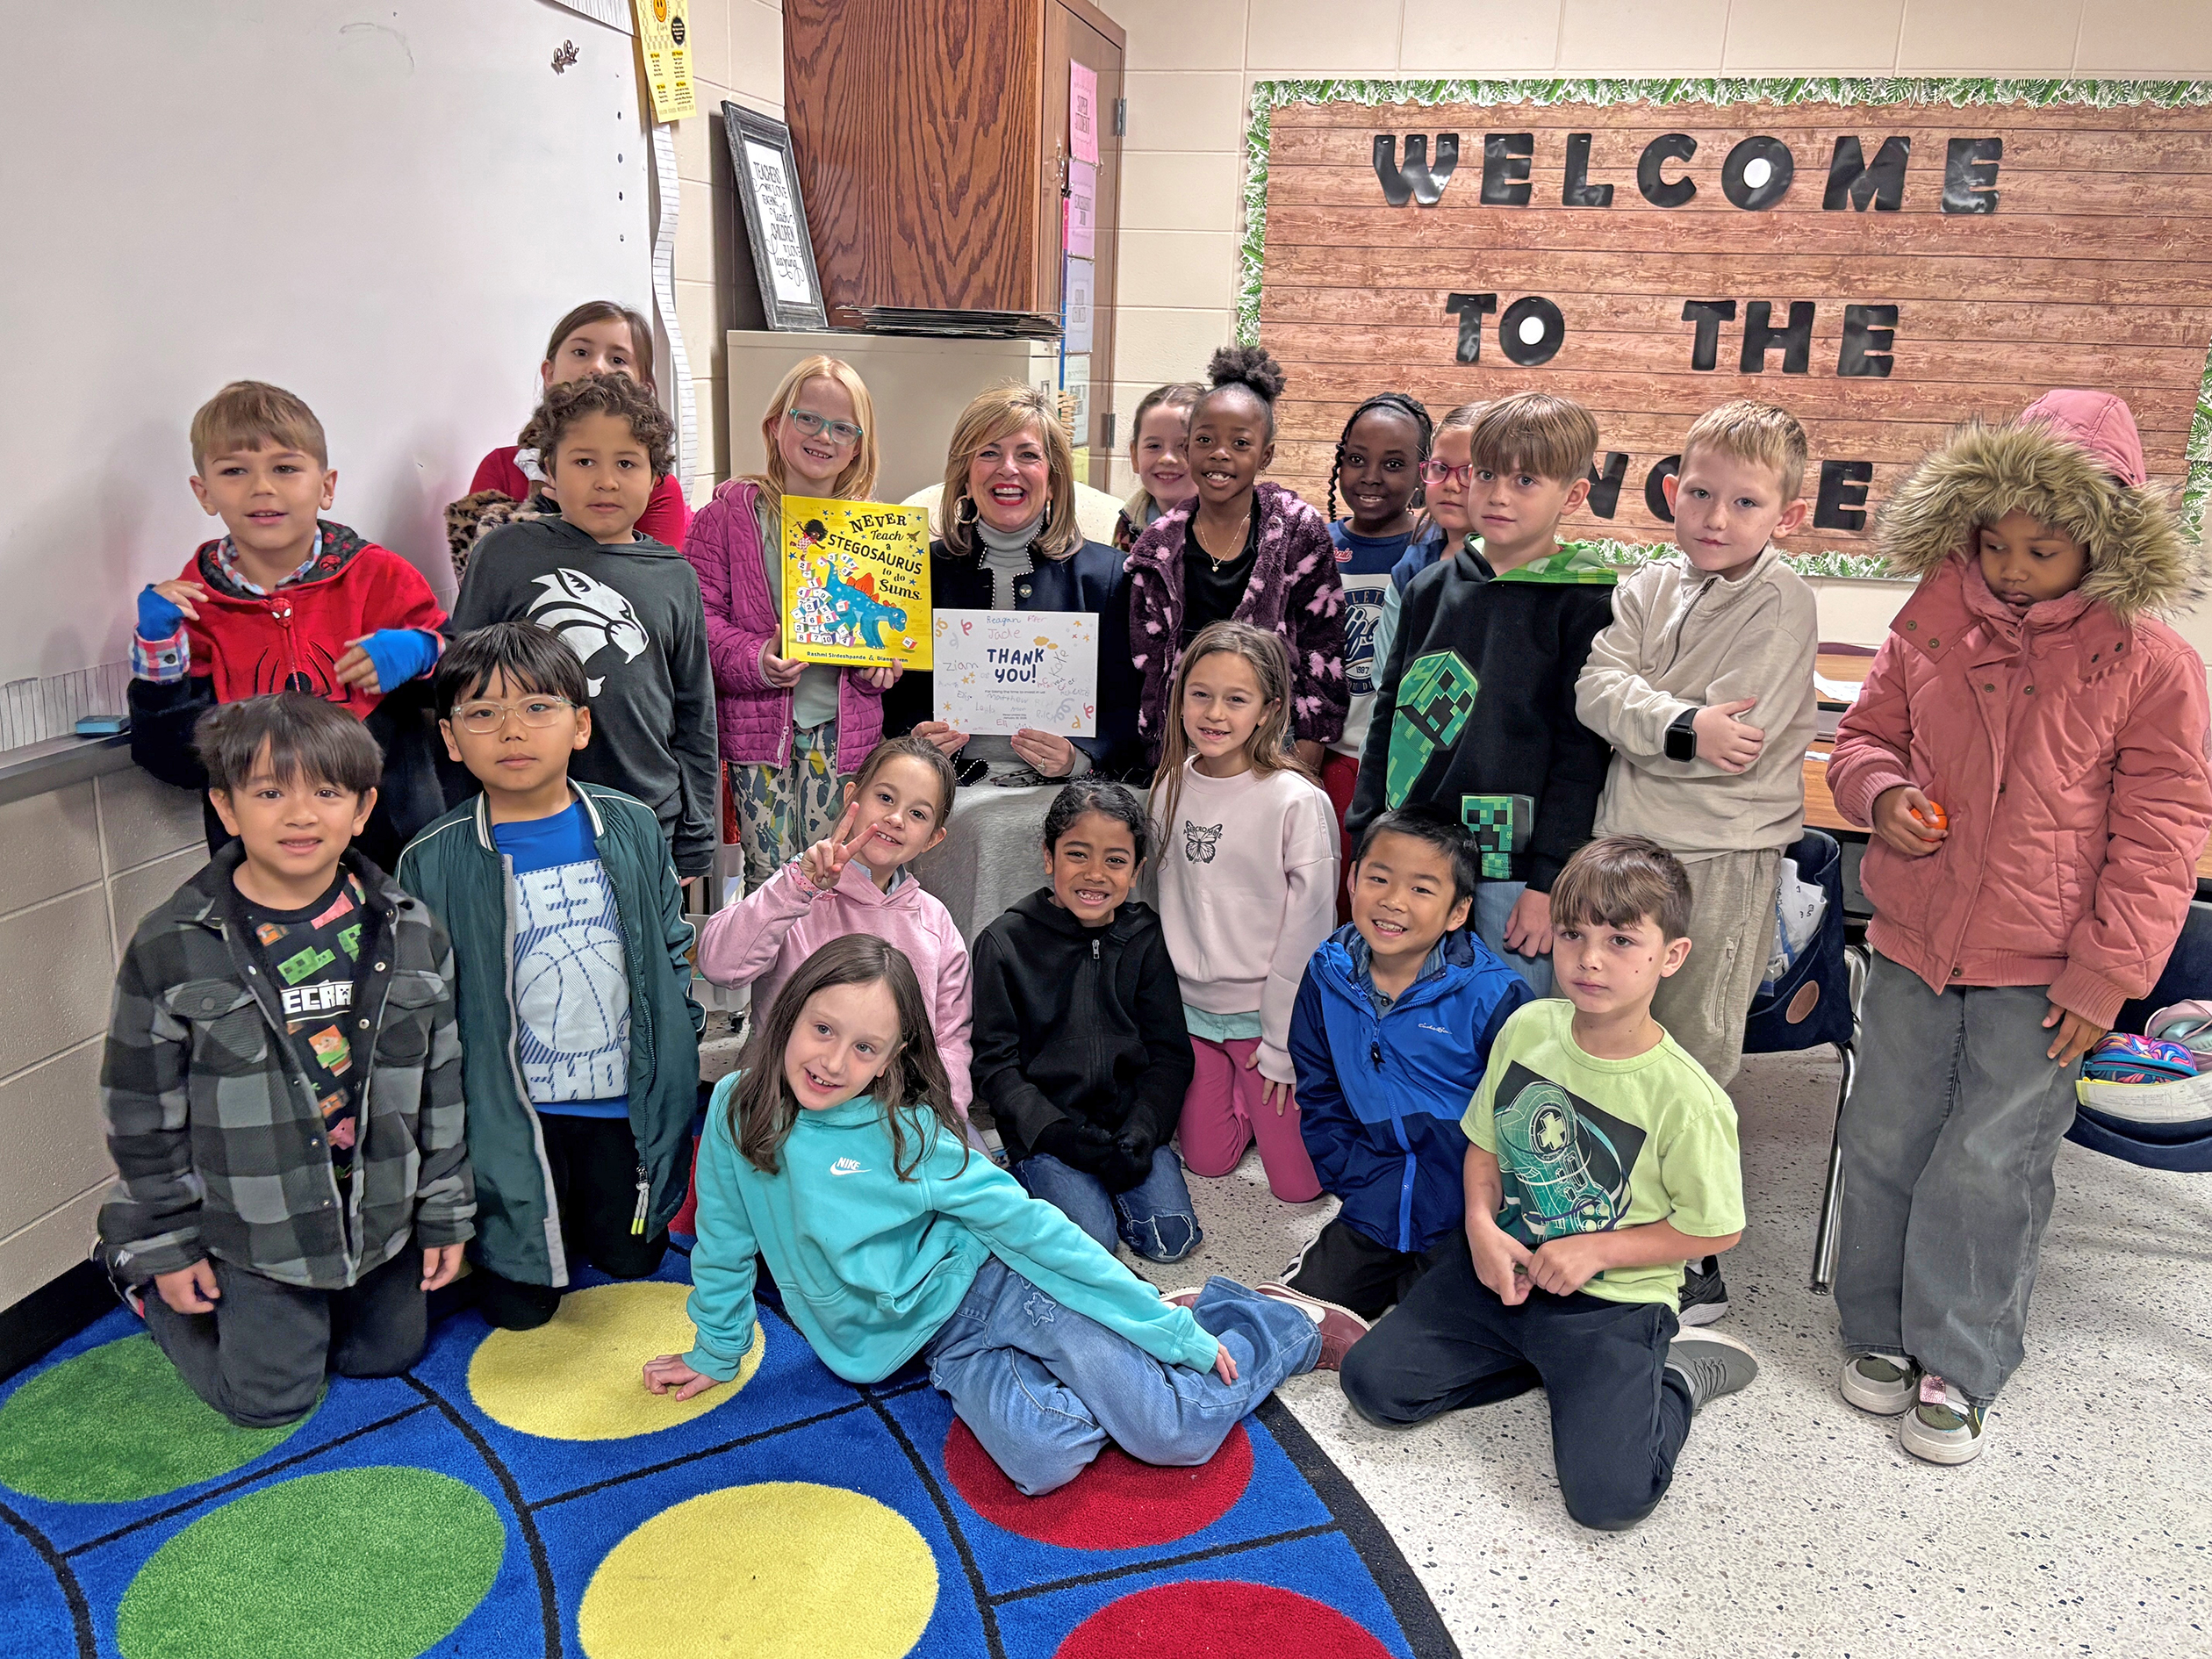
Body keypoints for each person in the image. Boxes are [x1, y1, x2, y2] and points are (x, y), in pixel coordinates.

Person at [1827, 390, 2212, 1465]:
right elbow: (1862, 740)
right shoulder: (1931, 625)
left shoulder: (2154, 666)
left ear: (2104, 539)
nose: (2010, 568)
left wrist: (2105, 978)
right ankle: (1877, 1328)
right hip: (1914, 941)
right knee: (1888, 1133)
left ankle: (1962, 1352)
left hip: (2046, 970)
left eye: (2042, 549)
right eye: (1993, 543)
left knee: (1992, 1162)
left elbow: (2162, 833)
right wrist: (1882, 794)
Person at [640, 934, 1355, 1496]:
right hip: (939, 1345)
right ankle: (1119, 1336)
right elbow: (726, 1242)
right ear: (789, 1013)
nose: (832, 1061)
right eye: (822, 1029)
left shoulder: (911, 1133)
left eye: (864, 1048)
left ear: (891, 1063)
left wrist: (1168, 1333)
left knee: (1175, 1431)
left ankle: (1273, 1322)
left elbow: (1033, 1232)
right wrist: (717, 1349)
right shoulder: (739, 1106)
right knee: (1041, 1458)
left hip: (1005, 1285)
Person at [1338, 836, 1758, 1532]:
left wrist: (1598, 1250)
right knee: (1373, 1387)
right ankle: (1558, 1375)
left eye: (1622, 940)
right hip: (1505, 1271)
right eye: (1573, 934)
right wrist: (1479, 1226)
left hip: (1613, 1304)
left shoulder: (1689, 1099)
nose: (1590, 959)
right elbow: (1482, 1144)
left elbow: (1719, 1227)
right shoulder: (1530, 1026)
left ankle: (1677, 1378)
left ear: (1671, 957)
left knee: (1608, 1502)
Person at [98, 693, 472, 1428]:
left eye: (326, 793)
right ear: (227, 808)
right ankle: (130, 1273)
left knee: (386, 1354)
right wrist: (164, 1247)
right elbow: (140, 1109)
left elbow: (443, 1086)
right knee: (268, 1403)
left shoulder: (413, 931)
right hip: (256, 1229)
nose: (299, 816)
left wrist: (445, 1213)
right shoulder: (172, 942)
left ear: (363, 809)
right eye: (269, 792)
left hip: (378, 1219)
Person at [1573, 399, 1820, 1326]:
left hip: (1721, 853)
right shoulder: (1646, 586)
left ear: (1783, 517)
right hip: (1628, 840)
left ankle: (1692, 1245)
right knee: (1607, 1029)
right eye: (1703, 494)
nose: (1718, 518)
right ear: (1674, 492)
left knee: (1692, 1049)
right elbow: (1599, 691)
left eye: (1747, 503)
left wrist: (1652, 721)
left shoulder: (1784, 600)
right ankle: (1606, 1213)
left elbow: (1740, 735)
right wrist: (1676, 722)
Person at [397, 623, 703, 1331]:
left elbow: (669, 941)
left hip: (619, 1102)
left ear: (580, 725)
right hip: (514, 1111)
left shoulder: (630, 826)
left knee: (632, 1260)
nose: (512, 731)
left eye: (538, 707)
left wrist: (679, 1041)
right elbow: (428, 1005)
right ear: (450, 739)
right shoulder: (430, 860)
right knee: (520, 1304)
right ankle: (513, 1237)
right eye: (482, 714)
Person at [1347, 390, 1618, 997]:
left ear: (1572, 496)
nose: (1497, 495)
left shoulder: (1585, 603)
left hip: (1512, 877)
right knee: (1404, 1012)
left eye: (1526, 480)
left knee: (1506, 1027)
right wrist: (1367, 832)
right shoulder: (1429, 587)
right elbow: (1390, 714)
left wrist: (1548, 884)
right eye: (1486, 474)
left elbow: (1582, 757)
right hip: (1414, 852)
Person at [127, 381, 449, 872]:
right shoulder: (193, 604)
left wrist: (423, 651)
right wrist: (158, 658)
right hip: (264, 873)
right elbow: (174, 762)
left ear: (326, 486)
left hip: (396, 846)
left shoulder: (380, 576)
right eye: (234, 471)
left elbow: (464, 683)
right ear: (204, 492)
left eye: (285, 468)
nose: (262, 488)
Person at [449, 372, 719, 879]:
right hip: (519, 818)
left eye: (626, 463)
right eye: (584, 461)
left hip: (646, 822)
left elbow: (695, 714)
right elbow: (461, 688)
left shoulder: (674, 576)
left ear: (656, 477)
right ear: (549, 470)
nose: (607, 480)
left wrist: (695, 837)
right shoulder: (504, 553)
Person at [1285, 808, 1530, 1320]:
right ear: (1352, 881)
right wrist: (1351, 1176)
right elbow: (1318, 1084)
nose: (1393, 901)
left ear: (1458, 912)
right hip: (1373, 1195)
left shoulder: (1494, 996)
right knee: (1304, 1310)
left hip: (1463, 1210)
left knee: (1438, 1333)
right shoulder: (1327, 973)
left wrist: (1492, 1215)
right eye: (1378, 878)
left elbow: (1525, 1121)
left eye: (1422, 889)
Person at [683, 355, 901, 891]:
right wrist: (757, 658)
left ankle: (834, 977)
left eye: (842, 428)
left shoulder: (874, 532)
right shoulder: (728, 518)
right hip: (760, 737)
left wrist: (882, 665)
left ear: (858, 446)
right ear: (775, 423)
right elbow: (697, 621)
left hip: (843, 737)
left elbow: (886, 634)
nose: (822, 436)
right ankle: (774, 978)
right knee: (769, 880)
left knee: (840, 876)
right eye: (807, 418)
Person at [970, 780, 1199, 1261]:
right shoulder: (1003, 943)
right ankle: (1033, 1176)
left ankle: (1116, 1176)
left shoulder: (1144, 936)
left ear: (1135, 871)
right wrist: (1054, 1134)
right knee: (1090, 1246)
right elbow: (994, 1066)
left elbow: (1170, 1055)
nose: (1095, 874)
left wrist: (1145, 1127)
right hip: (1053, 1133)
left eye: (1115, 860)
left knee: (1171, 1239)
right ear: (1049, 857)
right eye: (1078, 854)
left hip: (1126, 1123)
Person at [1152, 621, 1338, 1203]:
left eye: (1237, 699)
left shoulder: (1296, 800)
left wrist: (1284, 1044)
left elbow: (1309, 930)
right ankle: (1238, 1098)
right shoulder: (1168, 787)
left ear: (1268, 710)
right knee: (1206, 1164)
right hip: (1195, 1016)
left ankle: (1289, 1098)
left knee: (1296, 1190)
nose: (1214, 713)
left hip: (1268, 1021)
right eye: (1200, 694)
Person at [696, 735, 974, 1117]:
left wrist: (945, 1117)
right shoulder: (799, 890)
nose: (895, 819)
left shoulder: (935, 921)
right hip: (785, 1105)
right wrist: (796, 886)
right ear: (851, 797)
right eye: (886, 798)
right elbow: (720, 966)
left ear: (933, 839)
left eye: (918, 814)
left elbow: (949, 1038)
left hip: (894, 1115)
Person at [885, 383, 1141, 782]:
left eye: (1028, 455)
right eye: (989, 453)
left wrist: (1080, 758)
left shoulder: (1109, 577)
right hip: (941, 792)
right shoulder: (915, 571)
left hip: (1065, 800)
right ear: (965, 478)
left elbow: (1131, 708)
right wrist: (912, 741)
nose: (1009, 468)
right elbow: (891, 698)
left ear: (1053, 480)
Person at [1127, 346, 1347, 774]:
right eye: (1205, 439)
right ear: (1189, 448)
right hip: (1185, 739)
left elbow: (1325, 649)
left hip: (1273, 742)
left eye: (1240, 443)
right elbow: (1148, 667)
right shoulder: (1156, 550)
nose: (1220, 453)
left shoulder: (1298, 531)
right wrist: (1161, 757)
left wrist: (1304, 756)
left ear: (1264, 455)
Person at [458, 300, 690, 558]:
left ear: (643, 387)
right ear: (550, 373)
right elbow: (477, 577)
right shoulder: (501, 467)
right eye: (581, 352)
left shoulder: (655, 485)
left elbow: (654, 582)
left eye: (617, 359)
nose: (597, 368)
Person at [1324, 393, 1438, 916]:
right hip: (1326, 757)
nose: (1371, 476)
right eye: (1356, 459)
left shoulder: (1431, 550)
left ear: (1423, 470)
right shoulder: (1316, 544)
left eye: (1394, 464)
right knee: (1329, 897)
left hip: (1395, 766)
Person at [1372, 400, 1480, 682]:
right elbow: (1384, 676)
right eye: (1440, 467)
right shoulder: (1412, 568)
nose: (1451, 484)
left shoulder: (1513, 569)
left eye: (1470, 471)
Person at [1112, 382, 1202, 552]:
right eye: (1154, 446)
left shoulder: (1233, 530)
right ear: (1134, 456)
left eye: (1184, 446)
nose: (1167, 458)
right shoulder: (1129, 525)